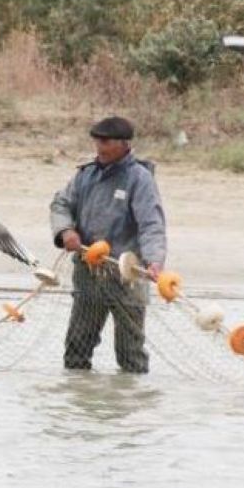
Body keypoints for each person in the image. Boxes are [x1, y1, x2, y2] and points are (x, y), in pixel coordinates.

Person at [48, 116, 167, 373]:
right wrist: (66, 231)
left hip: (127, 275)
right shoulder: (86, 174)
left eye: (105, 142)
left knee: (130, 354)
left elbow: (151, 224)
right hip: (88, 273)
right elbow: (61, 204)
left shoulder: (139, 178)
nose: (99, 147)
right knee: (77, 349)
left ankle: (131, 395)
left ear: (124, 144)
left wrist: (154, 261)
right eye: (96, 141)